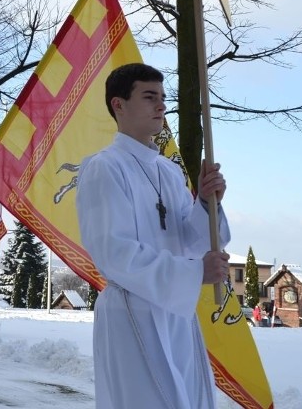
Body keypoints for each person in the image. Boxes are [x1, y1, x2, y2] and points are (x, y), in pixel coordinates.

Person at [75, 63, 230, 409]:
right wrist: (192, 273)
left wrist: (206, 202)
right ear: (119, 104)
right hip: (133, 313)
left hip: (174, 312)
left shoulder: (169, 171)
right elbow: (113, 253)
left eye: (162, 97)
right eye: (149, 97)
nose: (161, 106)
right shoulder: (104, 167)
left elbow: (189, 242)